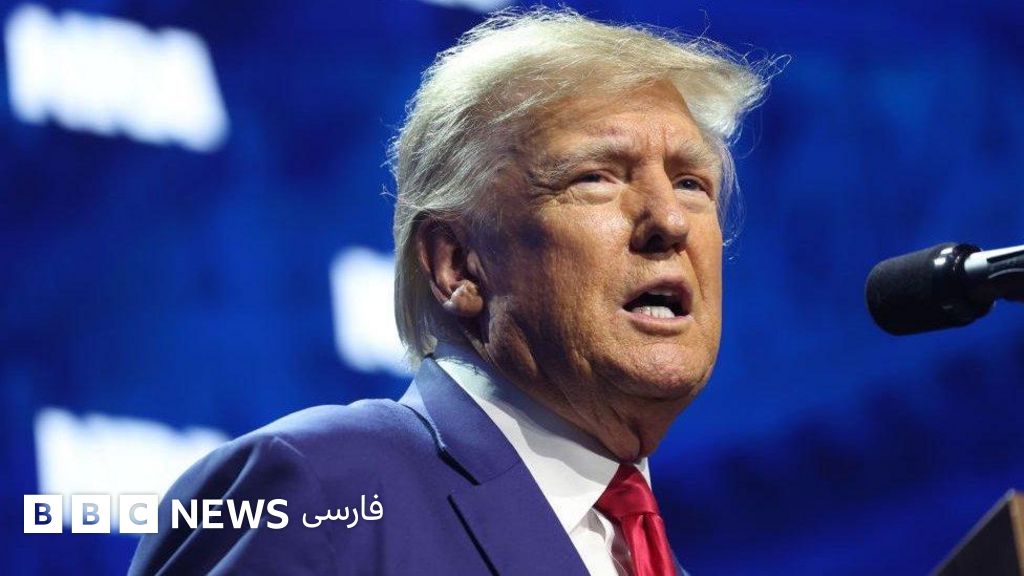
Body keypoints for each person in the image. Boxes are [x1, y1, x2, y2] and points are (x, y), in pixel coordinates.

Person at [129, 8, 773, 575]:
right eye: (596, 177)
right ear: (457, 265)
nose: (669, 220)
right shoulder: (314, 493)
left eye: (692, 183)